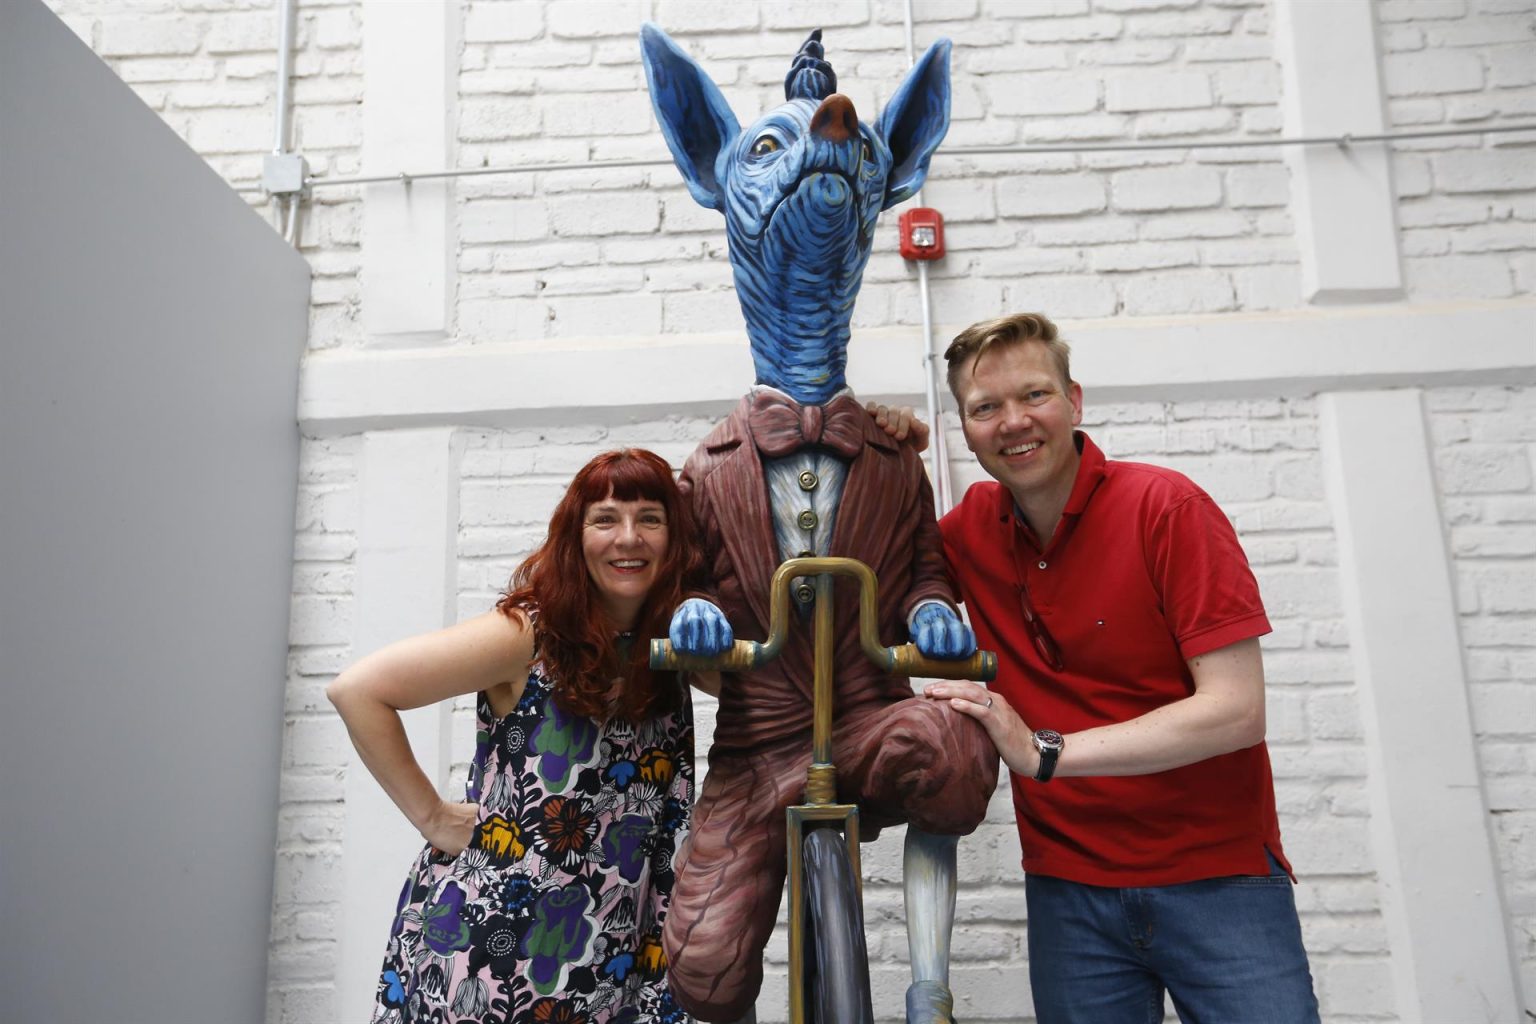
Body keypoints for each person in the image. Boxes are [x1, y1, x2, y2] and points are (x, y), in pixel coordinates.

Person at [882, 312, 1320, 1023]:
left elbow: (1237, 709)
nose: (1013, 421)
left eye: (1034, 395)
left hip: (1218, 880)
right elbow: (878, 579)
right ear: (964, 426)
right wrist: (878, 449)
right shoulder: (970, 529)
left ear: (1074, 400)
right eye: (985, 407)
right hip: (1069, 895)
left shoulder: (1166, 508)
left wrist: (1043, 752)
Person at [328, 448, 703, 1024]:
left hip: (619, 949)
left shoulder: (680, 646)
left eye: (650, 518)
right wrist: (430, 816)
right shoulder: (528, 634)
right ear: (575, 538)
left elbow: (772, 679)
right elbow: (359, 691)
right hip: (494, 942)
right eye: (605, 519)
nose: (629, 538)